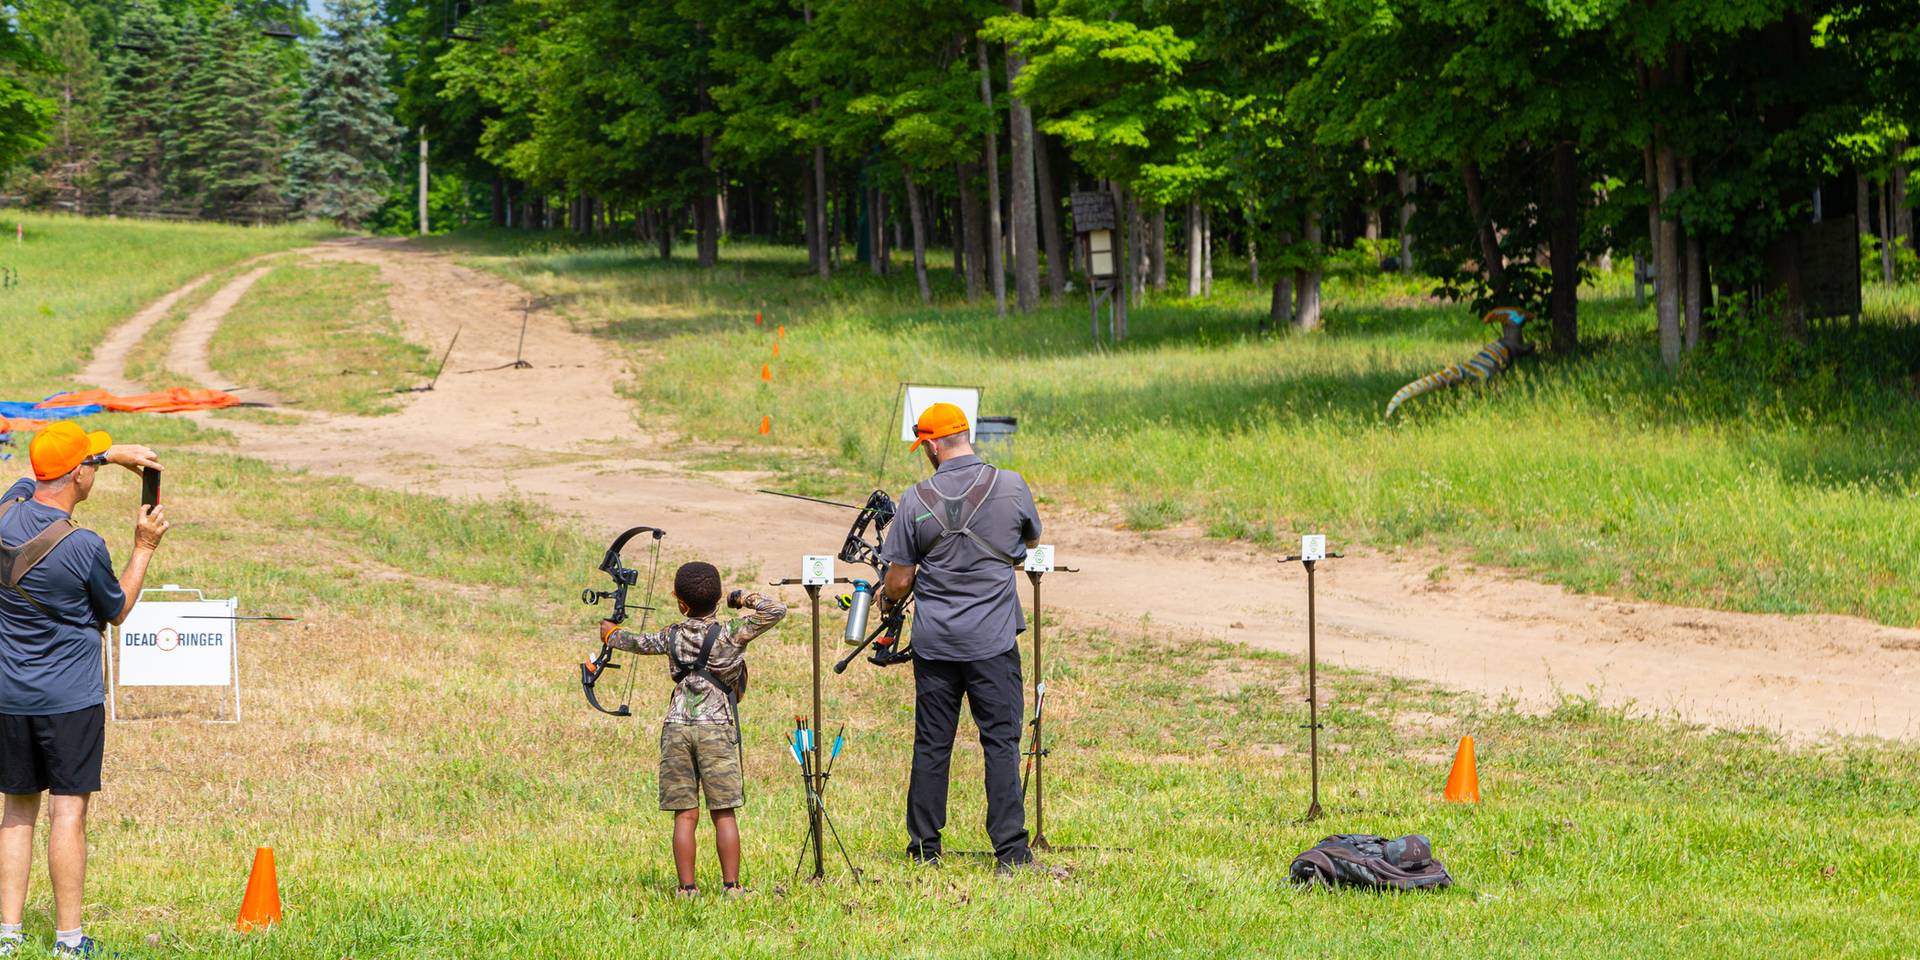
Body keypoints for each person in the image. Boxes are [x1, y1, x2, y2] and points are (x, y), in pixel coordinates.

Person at [0, 422, 166, 957]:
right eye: (90, 464)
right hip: (70, 700)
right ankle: (69, 941)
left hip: (8, 696)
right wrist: (143, 547)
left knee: (17, 811)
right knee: (68, 812)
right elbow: (117, 610)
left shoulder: (4, 512)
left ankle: (7, 934)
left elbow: (29, 479)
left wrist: (107, 453)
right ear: (78, 474)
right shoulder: (84, 545)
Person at [878, 402, 1043, 874]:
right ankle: (1011, 852)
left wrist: (888, 603)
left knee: (932, 744)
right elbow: (1029, 540)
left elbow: (899, 580)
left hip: (936, 645)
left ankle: (924, 850)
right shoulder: (1010, 485)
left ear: (932, 446)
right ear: (966, 435)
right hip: (993, 643)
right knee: (1000, 744)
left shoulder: (914, 499)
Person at [599, 561, 785, 896]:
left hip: (677, 728)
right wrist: (743, 597)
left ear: (680, 603)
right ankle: (732, 887)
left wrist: (609, 632)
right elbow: (776, 609)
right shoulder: (732, 632)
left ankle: (687, 889)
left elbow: (633, 642)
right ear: (717, 600)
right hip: (716, 728)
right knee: (723, 812)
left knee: (685, 815)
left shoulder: (671, 635)